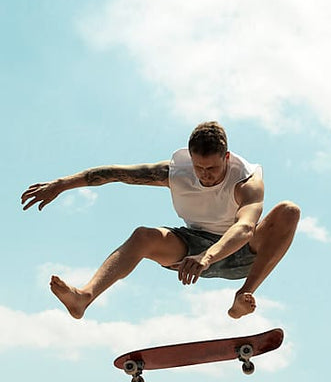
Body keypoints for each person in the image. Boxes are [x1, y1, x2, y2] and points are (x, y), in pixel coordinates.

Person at [21, 121, 300, 320]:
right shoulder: (175, 172)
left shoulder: (246, 180)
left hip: (242, 253)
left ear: (226, 157)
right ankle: (84, 298)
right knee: (143, 236)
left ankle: (243, 296)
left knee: (288, 211)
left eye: (213, 168)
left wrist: (207, 256)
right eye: (199, 167)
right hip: (192, 246)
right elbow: (114, 173)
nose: (206, 175)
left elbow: (245, 227)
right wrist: (61, 184)